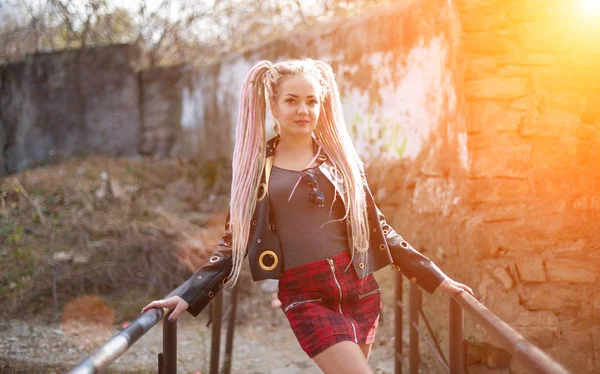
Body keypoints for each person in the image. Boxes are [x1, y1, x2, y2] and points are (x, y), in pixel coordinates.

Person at [142, 58, 473, 373]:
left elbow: (379, 229)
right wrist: (188, 293)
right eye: (292, 100)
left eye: (312, 101)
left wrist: (436, 278)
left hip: (359, 288)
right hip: (305, 295)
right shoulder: (256, 170)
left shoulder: (341, 162)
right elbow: (235, 240)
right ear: (274, 106)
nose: (303, 110)